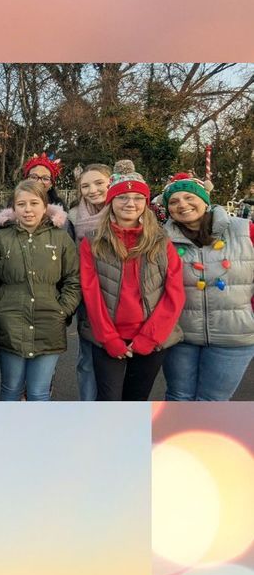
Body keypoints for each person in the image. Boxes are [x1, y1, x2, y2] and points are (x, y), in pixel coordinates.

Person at [80, 169, 185, 401]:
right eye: (123, 197)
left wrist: (149, 337)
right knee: (108, 401)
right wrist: (109, 338)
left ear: (145, 203)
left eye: (138, 198)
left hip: (151, 338)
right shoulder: (93, 241)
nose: (131, 203)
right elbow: (91, 292)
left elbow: (174, 293)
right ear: (111, 201)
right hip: (108, 337)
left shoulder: (160, 241)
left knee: (136, 400)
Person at [0, 179, 80, 401]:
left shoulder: (61, 239)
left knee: (39, 391)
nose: (28, 209)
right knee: (11, 388)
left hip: (49, 324)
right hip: (10, 325)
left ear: (45, 206)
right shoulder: (0, 239)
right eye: (21, 204)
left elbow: (74, 279)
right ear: (14, 208)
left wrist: (63, 310)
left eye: (34, 203)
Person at [161, 173, 254, 401]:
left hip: (233, 337)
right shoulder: (162, 239)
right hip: (181, 337)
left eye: (189, 197)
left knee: (212, 402)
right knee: (178, 397)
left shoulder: (244, 230)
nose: (182, 204)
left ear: (205, 200)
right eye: (173, 201)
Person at [67, 163, 112, 401]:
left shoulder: (125, 208)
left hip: (120, 291)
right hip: (89, 292)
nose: (92, 190)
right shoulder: (74, 216)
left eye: (99, 183)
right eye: (85, 186)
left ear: (110, 183)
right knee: (87, 358)